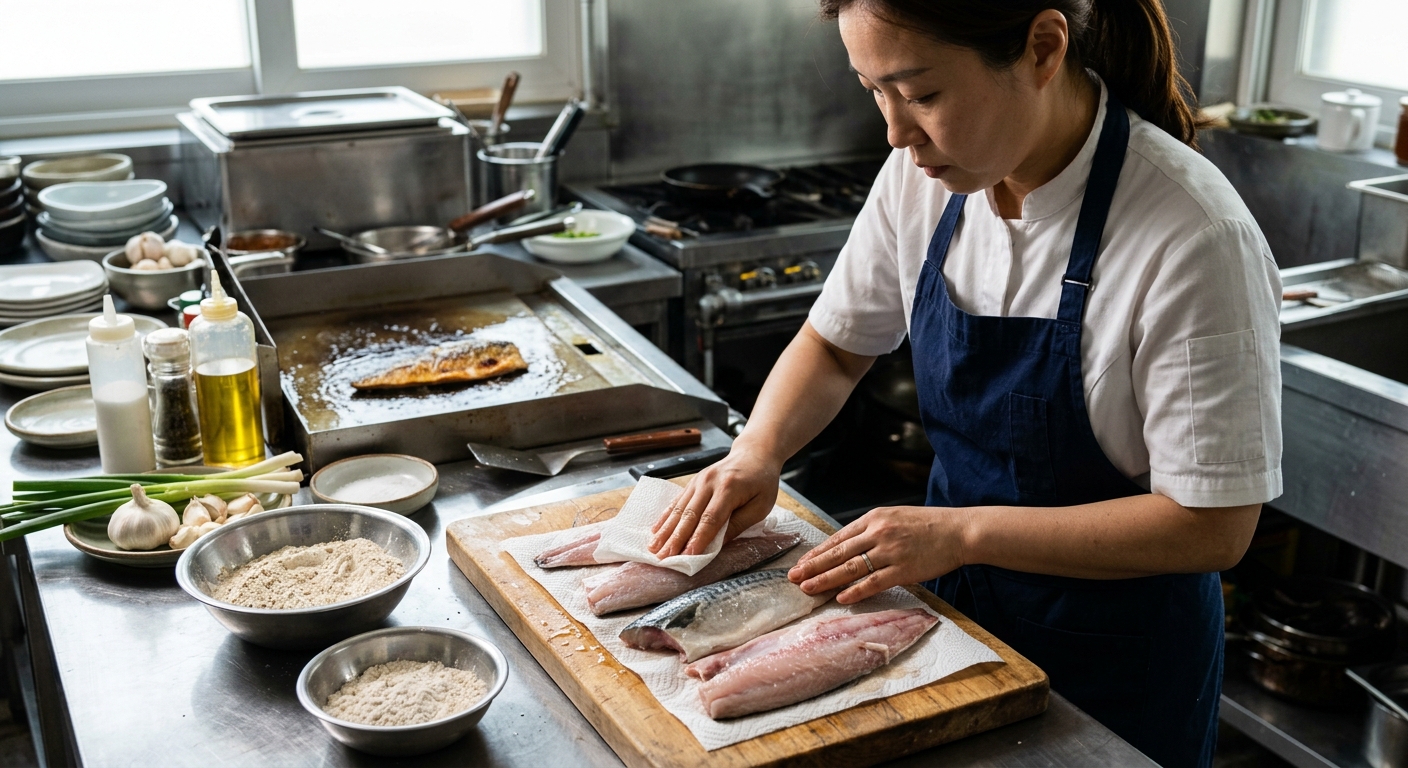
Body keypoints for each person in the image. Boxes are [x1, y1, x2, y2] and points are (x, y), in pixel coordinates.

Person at [648, 1, 1282, 765]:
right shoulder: (922, 179)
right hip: (949, 617)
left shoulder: (1193, 235)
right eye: (873, 91)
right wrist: (758, 450)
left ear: (1042, 49)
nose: (896, 132)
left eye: (921, 94)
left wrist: (960, 532)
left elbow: (1213, 526)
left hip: (1116, 659)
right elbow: (837, 344)